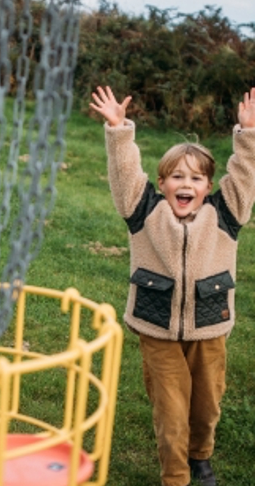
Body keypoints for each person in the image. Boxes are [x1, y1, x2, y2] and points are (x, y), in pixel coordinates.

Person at [89, 86, 255, 486]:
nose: (186, 184)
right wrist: (118, 129)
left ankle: (200, 457)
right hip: (157, 328)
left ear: (208, 186)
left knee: (205, 406)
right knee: (171, 409)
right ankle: (176, 476)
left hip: (209, 326)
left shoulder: (225, 214)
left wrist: (247, 135)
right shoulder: (144, 211)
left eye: (196, 178)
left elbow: (244, 176)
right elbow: (126, 173)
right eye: (177, 176)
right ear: (161, 184)